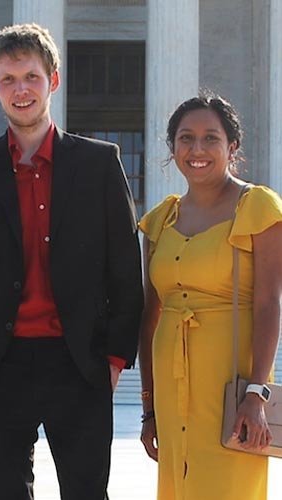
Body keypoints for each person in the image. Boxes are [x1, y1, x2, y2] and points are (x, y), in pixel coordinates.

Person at [0, 23, 143, 500]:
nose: (20, 89)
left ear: (53, 79)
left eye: (30, 76)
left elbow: (123, 265)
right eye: (8, 80)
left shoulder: (99, 163)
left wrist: (114, 357)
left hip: (79, 362)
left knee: (87, 492)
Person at [138, 93, 282, 499]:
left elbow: (270, 304)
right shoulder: (160, 221)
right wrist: (149, 409)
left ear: (231, 146)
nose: (197, 149)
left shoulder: (257, 207)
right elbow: (150, 316)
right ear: (172, 148)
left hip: (231, 391)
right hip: (171, 387)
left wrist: (257, 393)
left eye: (210, 138)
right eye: (186, 138)